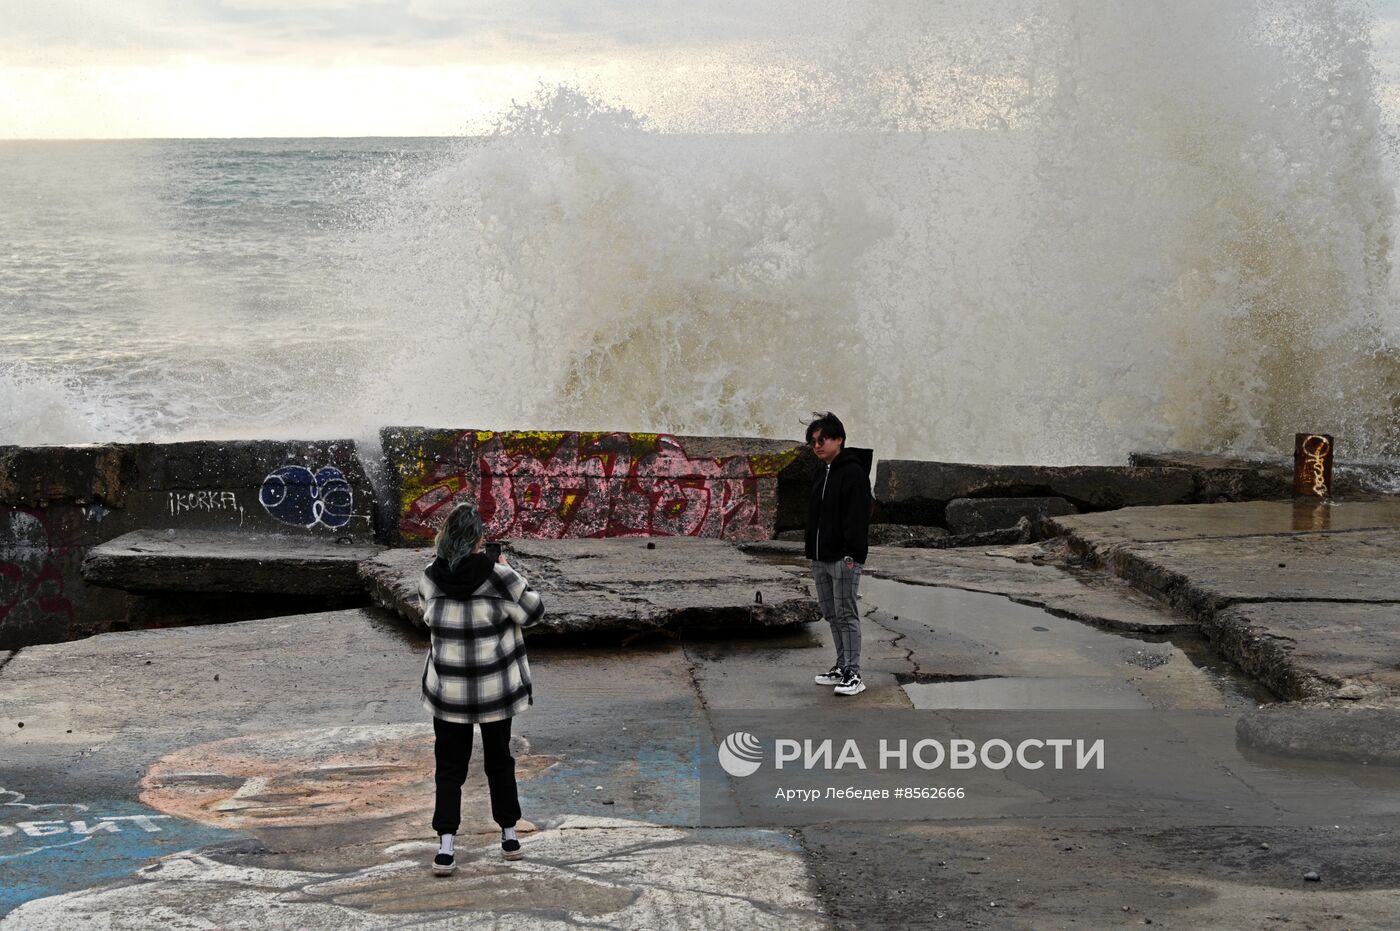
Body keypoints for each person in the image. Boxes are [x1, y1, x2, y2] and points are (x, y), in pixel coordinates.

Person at [419, 501, 545, 876]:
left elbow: (426, 613)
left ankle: (446, 848)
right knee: (499, 761)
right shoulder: (500, 576)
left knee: (449, 767)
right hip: (494, 690)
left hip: (449, 690)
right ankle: (508, 836)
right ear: (478, 540)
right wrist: (507, 569)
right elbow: (534, 613)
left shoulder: (429, 575)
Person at [804, 412, 872, 696]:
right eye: (813, 441)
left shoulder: (853, 472)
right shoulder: (823, 471)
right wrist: (812, 551)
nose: (817, 445)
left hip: (844, 558)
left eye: (823, 439)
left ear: (839, 439)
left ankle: (854, 674)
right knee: (831, 614)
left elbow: (857, 518)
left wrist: (851, 555)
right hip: (821, 556)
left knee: (846, 613)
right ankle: (842, 666)